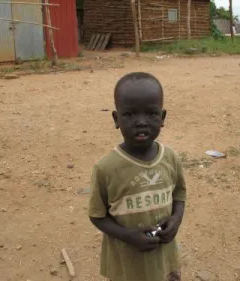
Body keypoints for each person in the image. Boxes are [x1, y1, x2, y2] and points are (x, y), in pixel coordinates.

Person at [88, 72, 186, 281]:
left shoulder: (170, 158)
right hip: (127, 266)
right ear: (116, 119)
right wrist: (128, 237)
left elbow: (179, 196)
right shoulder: (106, 168)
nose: (141, 122)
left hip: (164, 261)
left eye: (151, 114)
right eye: (130, 115)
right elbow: (97, 215)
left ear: (163, 118)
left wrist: (176, 220)